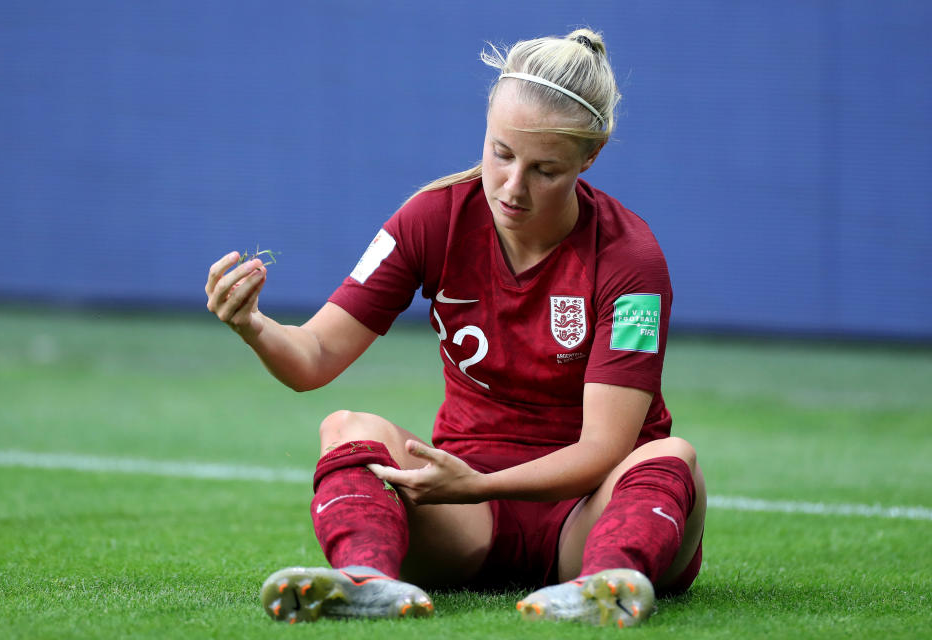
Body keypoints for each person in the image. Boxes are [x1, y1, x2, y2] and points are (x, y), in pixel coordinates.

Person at [205, 28, 706, 628]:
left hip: (588, 513)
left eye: (544, 169)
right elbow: (313, 356)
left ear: (590, 156)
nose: (513, 188)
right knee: (346, 426)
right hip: (466, 519)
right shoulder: (431, 219)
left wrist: (478, 483)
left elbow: (604, 449)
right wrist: (255, 326)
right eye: (501, 153)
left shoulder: (632, 260)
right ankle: (367, 582)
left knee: (673, 456)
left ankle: (607, 583)